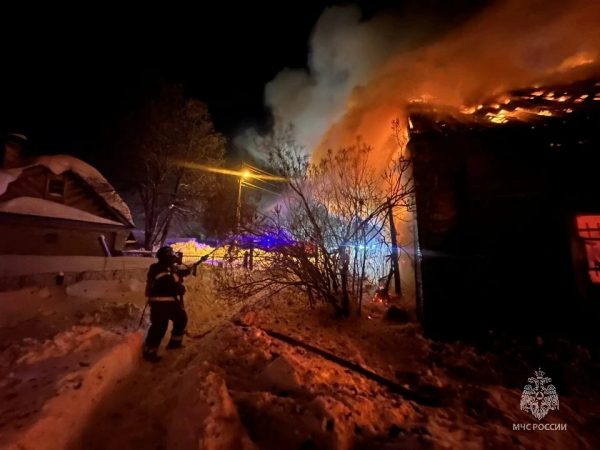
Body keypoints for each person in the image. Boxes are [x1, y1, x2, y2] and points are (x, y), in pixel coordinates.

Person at [142, 246, 208, 362]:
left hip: (170, 301)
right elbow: (167, 282)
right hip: (160, 302)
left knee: (181, 319)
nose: (174, 257)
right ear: (166, 257)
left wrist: (194, 265)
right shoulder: (159, 268)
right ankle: (149, 351)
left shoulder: (169, 268)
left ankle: (175, 343)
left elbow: (176, 275)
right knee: (159, 327)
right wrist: (179, 288)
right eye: (172, 255)